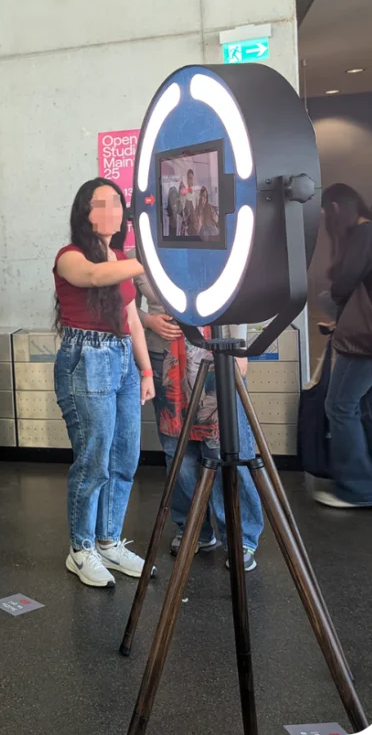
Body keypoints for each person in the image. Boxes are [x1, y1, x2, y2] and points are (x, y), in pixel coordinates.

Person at [53, 178, 153, 588]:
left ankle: (109, 541)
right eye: (101, 203)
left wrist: (146, 371)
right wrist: (152, 259)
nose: (113, 210)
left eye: (118, 202)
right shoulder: (70, 257)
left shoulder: (121, 256)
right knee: (93, 461)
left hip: (123, 360)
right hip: (88, 359)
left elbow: (132, 320)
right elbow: (95, 277)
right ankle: (81, 549)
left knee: (125, 458)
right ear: (84, 212)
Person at [135, 272, 264, 570]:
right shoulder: (137, 254)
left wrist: (240, 347)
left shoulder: (214, 246)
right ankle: (193, 529)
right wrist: (149, 320)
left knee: (227, 446)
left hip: (218, 352)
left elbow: (239, 291)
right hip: (164, 354)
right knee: (177, 451)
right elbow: (125, 303)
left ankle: (241, 536)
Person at [316, 182, 372, 509]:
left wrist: (334, 308)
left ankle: (360, 488)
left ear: (336, 208)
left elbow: (343, 286)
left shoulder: (364, 233)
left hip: (366, 342)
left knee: (340, 405)